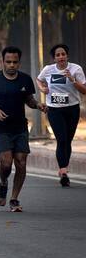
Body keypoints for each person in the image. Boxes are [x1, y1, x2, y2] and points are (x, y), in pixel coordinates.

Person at [0, 47, 46, 211]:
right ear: (2, 62)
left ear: (19, 62)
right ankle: (3, 182)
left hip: (19, 127)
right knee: (6, 163)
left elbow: (29, 99)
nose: (11, 65)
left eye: (15, 62)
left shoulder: (25, 79)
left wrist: (38, 105)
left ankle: (14, 199)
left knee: (21, 162)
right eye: (8, 62)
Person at [36, 44, 86, 187]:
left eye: (63, 54)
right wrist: (42, 88)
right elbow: (39, 80)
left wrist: (72, 80)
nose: (61, 57)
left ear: (67, 56)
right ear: (54, 58)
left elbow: (84, 90)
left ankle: (64, 167)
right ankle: (63, 171)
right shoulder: (48, 70)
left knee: (68, 140)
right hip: (54, 109)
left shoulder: (76, 69)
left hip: (72, 109)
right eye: (58, 55)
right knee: (61, 138)